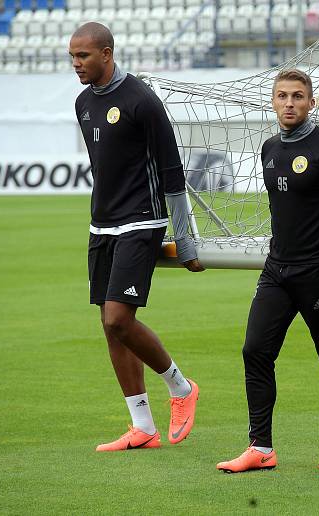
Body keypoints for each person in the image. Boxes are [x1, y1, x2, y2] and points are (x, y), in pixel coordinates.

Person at [216, 69, 319, 473]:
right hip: (276, 269)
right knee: (255, 351)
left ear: (311, 103)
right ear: (273, 101)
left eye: (298, 96)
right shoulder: (269, 149)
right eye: (282, 96)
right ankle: (261, 447)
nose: (289, 103)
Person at [69, 22, 203, 451]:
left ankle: (181, 388)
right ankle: (142, 427)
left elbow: (171, 171)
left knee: (117, 318)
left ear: (107, 54)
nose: (77, 64)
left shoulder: (142, 100)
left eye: (84, 56)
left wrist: (184, 238)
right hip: (102, 224)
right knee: (110, 329)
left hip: (142, 221)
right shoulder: (83, 103)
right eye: (72, 56)